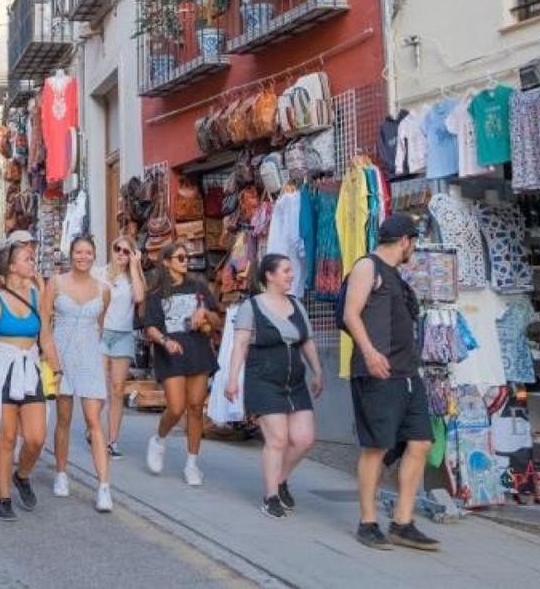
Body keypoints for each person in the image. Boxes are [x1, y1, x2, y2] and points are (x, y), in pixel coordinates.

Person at [343, 214, 440, 551]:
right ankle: (367, 522)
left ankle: (402, 521)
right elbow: (350, 313)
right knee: (376, 447)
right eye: (414, 242)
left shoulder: (395, 275)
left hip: (407, 373)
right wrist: (369, 352)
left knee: (421, 442)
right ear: (404, 241)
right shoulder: (366, 267)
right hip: (376, 371)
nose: (414, 248)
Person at [225, 254, 324, 518]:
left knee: (304, 439)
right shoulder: (252, 306)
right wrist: (233, 379)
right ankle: (270, 497)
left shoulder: (297, 305)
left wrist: (318, 372)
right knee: (277, 439)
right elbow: (241, 344)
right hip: (264, 379)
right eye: (286, 271)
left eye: (291, 271)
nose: (291, 275)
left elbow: (307, 342)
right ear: (269, 275)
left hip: (295, 381)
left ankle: (280, 480)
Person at [0, 239, 60, 521]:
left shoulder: (36, 294)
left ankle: (22, 475)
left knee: (35, 438)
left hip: (31, 367)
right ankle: (3, 498)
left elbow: (45, 335)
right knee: (6, 438)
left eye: (32, 259)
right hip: (3, 368)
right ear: (11, 266)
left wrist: (55, 369)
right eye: (27, 259)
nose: (32, 262)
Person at [140, 240, 222, 485]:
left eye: (187, 258)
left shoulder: (198, 286)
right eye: (180, 258)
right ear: (166, 262)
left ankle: (192, 464)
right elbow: (150, 327)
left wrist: (205, 314)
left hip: (198, 351)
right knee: (176, 407)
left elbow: (218, 320)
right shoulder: (155, 293)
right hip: (171, 352)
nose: (186, 262)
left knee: (196, 408)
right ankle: (158, 439)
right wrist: (165, 341)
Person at [44, 235, 113, 511]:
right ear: (71, 254)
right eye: (78, 252)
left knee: (94, 420)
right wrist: (52, 361)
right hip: (62, 355)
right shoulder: (56, 283)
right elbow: (45, 325)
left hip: (90, 357)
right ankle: (61, 473)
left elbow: (100, 323)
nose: (82, 257)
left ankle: (104, 487)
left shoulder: (103, 290)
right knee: (63, 419)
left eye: (87, 252)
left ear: (94, 256)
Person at [102, 235, 145, 458]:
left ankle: (112, 440)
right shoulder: (101, 274)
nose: (121, 254)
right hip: (101, 334)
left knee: (117, 390)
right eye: (117, 248)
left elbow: (139, 298)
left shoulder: (133, 278)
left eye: (126, 251)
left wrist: (136, 266)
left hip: (123, 335)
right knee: (100, 388)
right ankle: (94, 427)